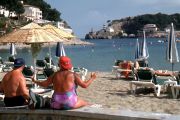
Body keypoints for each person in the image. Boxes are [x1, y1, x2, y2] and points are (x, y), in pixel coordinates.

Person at [31, 56, 97, 110]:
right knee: (84, 102)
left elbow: (44, 84)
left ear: (59, 65)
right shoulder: (73, 75)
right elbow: (85, 85)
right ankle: (89, 105)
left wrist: (35, 81)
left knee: (50, 100)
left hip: (55, 104)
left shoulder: (54, 75)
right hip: (69, 103)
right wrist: (92, 78)